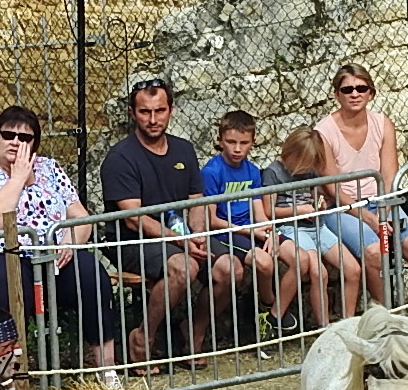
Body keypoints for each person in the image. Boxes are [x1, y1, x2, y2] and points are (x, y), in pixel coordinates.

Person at [0, 106, 120, 386]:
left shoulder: (50, 168)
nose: (15, 142)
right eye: (8, 134)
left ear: (35, 143)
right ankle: (8, 377)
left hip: (49, 256)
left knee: (93, 276)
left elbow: (82, 218)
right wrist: (17, 179)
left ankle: (107, 371)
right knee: (7, 282)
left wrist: (69, 242)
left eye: (25, 137)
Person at [99, 80, 234, 373]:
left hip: (180, 235)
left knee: (229, 268)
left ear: (170, 110)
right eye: (145, 112)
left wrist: (197, 235)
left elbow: (196, 202)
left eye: (160, 110)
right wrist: (182, 241)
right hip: (131, 240)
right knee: (183, 267)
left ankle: (194, 331)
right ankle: (143, 338)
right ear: (133, 113)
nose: (153, 119)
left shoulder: (183, 150)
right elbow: (134, 217)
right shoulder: (120, 158)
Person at [315, 64, 408, 321]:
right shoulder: (324, 132)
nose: (354, 94)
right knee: (375, 251)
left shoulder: (383, 124)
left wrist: (385, 211)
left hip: (381, 202)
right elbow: (331, 186)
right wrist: (369, 218)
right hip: (343, 208)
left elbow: (390, 175)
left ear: (371, 93)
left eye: (361, 88)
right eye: (347, 89)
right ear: (336, 94)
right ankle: (389, 315)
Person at [201, 110, 294, 330]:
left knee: (299, 258)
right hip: (227, 232)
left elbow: (259, 212)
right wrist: (251, 232)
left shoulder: (252, 171)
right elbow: (212, 221)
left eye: (243, 143)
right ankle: (267, 305)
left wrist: (268, 231)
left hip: (252, 229)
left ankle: (275, 311)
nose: (237, 149)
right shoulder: (211, 172)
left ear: (253, 142)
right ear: (219, 140)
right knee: (264, 262)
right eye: (231, 142)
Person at [264, 126, 358, 327]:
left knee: (353, 269)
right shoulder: (273, 172)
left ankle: (348, 324)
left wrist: (319, 204)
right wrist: (299, 210)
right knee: (319, 273)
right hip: (291, 228)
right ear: (292, 153)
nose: (306, 169)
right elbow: (269, 211)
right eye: (303, 163)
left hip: (317, 226)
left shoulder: (311, 170)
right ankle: (324, 328)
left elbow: (316, 195)